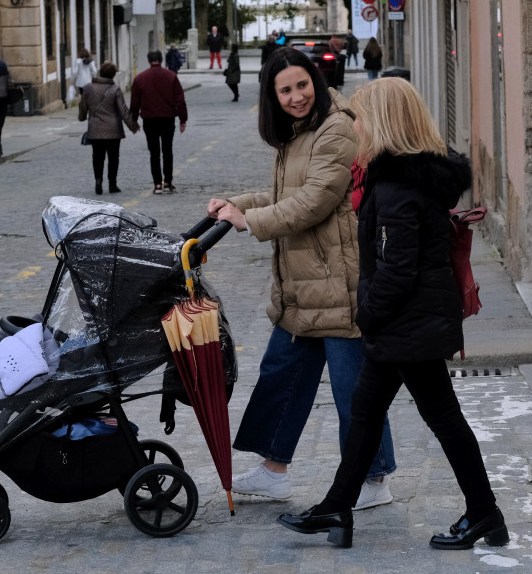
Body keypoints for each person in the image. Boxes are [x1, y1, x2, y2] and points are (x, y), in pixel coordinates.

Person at [277, 77, 508, 550]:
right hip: (408, 322)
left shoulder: (398, 188)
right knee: (366, 412)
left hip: (408, 324)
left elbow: (397, 270)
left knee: (441, 417)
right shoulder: (401, 180)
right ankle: (338, 508)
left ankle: (484, 513)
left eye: (359, 118)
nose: (354, 127)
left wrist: (369, 316)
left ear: (381, 123)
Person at [206, 47, 396, 508]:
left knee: (354, 386)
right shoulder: (299, 132)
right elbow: (281, 193)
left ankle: (374, 480)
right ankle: (274, 470)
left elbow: (314, 201)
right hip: (303, 284)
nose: (296, 96)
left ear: (316, 79)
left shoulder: (336, 128)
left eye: (302, 85)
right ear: (272, 95)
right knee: (280, 374)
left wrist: (249, 221)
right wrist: (237, 202)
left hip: (338, 281)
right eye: (285, 89)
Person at [130, 50, 188, 195]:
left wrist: (134, 121)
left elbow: (134, 103)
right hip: (167, 119)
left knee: (154, 152)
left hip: (149, 120)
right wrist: (183, 119)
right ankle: (168, 182)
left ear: (149, 60)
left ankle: (157, 184)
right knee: (167, 150)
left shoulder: (140, 79)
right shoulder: (171, 76)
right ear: (161, 60)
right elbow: (179, 100)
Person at [78, 61, 139, 195]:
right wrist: (132, 126)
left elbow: (83, 106)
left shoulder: (88, 88)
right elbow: (123, 110)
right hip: (113, 130)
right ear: (112, 75)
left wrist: (82, 117)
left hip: (95, 130)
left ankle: (98, 180)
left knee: (97, 157)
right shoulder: (115, 90)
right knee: (113, 158)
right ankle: (112, 184)